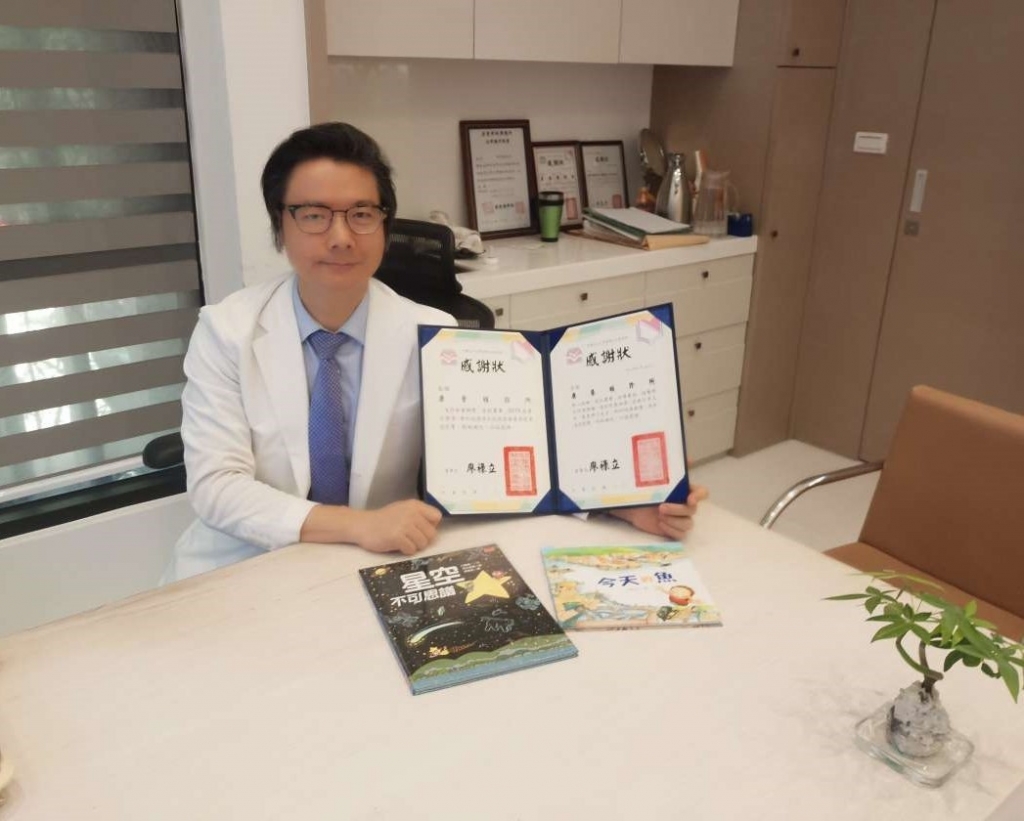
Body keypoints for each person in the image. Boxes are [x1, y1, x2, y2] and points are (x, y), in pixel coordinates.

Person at [164, 122, 707, 583]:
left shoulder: (438, 336)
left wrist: (623, 501)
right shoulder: (226, 332)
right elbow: (216, 488)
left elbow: (507, 458)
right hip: (247, 564)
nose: (341, 237)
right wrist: (359, 524)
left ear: (384, 225)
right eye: (313, 215)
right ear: (280, 227)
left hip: (371, 566)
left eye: (361, 214)